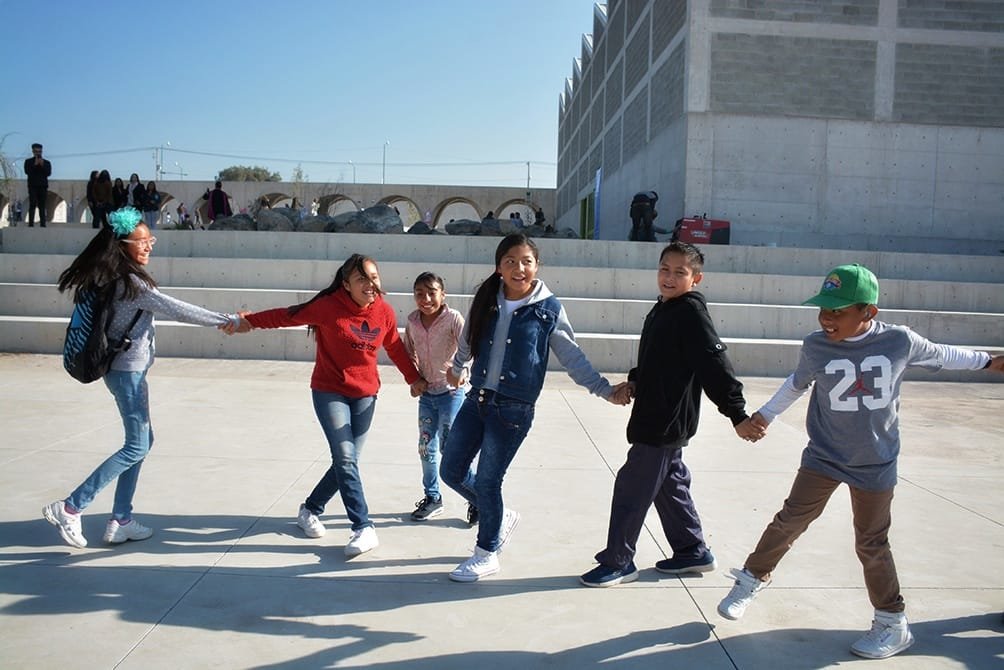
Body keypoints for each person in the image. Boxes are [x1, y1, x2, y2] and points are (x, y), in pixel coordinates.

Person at [715, 263, 1004, 660]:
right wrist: (763, 415)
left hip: (875, 461)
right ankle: (750, 579)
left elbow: (942, 354)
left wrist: (987, 361)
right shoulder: (816, 345)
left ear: (869, 312)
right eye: (823, 309)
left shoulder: (899, 341)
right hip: (824, 456)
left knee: (871, 541)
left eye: (838, 311)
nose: (827, 318)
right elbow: (795, 385)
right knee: (790, 519)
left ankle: (891, 622)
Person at [43, 207, 240, 549]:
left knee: (142, 443)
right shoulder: (132, 283)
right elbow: (178, 309)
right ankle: (71, 506)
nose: (149, 246)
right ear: (122, 245)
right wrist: (229, 320)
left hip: (123, 372)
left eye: (151, 240)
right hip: (127, 375)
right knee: (136, 444)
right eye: (143, 241)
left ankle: (121, 519)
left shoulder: (110, 278)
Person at [440, 232, 630, 583]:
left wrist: (604, 390)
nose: (519, 268)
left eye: (526, 261)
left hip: (513, 411)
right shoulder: (486, 299)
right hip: (477, 400)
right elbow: (468, 340)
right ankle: (499, 516)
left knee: (488, 480)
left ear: (537, 266)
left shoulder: (548, 309)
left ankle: (486, 553)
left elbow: (572, 356)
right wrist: (457, 366)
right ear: (499, 267)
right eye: (510, 261)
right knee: (450, 471)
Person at [579, 241, 763, 587]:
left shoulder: (690, 312)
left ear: (696, 278)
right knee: (669, 483)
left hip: (664, 420)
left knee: (633, 487)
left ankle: (619, 559)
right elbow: (658, 358)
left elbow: (714, 364)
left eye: (680, 272)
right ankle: (692, 549)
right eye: (665, 269)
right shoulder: (665, 307)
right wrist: (634, 380)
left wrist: (737, 414)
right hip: (656, 413)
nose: (670, 277)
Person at [230, 254, 426, 557]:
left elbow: (395, 348)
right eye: (361, 279)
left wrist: (413, 378)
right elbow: (287, 315)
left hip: (365, 395)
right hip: (329, 391)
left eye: (374, 277)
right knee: (346, 458)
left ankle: (310, 509)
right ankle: (363, 527)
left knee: (345, 462)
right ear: (346, 285)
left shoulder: (384, 312)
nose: (370, 284)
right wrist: (250, 322)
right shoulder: (327, 307)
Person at [402, 272, 472, 523]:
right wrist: (413, 379)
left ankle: (475, 498)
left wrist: (461, 370)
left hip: (452, 394)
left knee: (450, 448)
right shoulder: (412, 322)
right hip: (427, 395)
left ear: (443, 294)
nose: (426, 298)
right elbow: (408, 352)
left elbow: (469, 346)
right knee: (426, 448)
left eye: (432, 292)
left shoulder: (453, 319)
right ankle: (433, 498)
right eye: (419, 293)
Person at [23, 142, 52, 227]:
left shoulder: (46, 162)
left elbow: (48, 173)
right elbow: (27, 172)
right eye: (36, 151)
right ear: (33, 151)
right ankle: (31, 223)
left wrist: (42, 165)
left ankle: (43, 224)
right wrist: (35, 165)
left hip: (43, 186)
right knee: (32, 204)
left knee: (42, 205)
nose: (38, 153)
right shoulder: (28, 162)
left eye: (39, 151)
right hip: (33, 186)